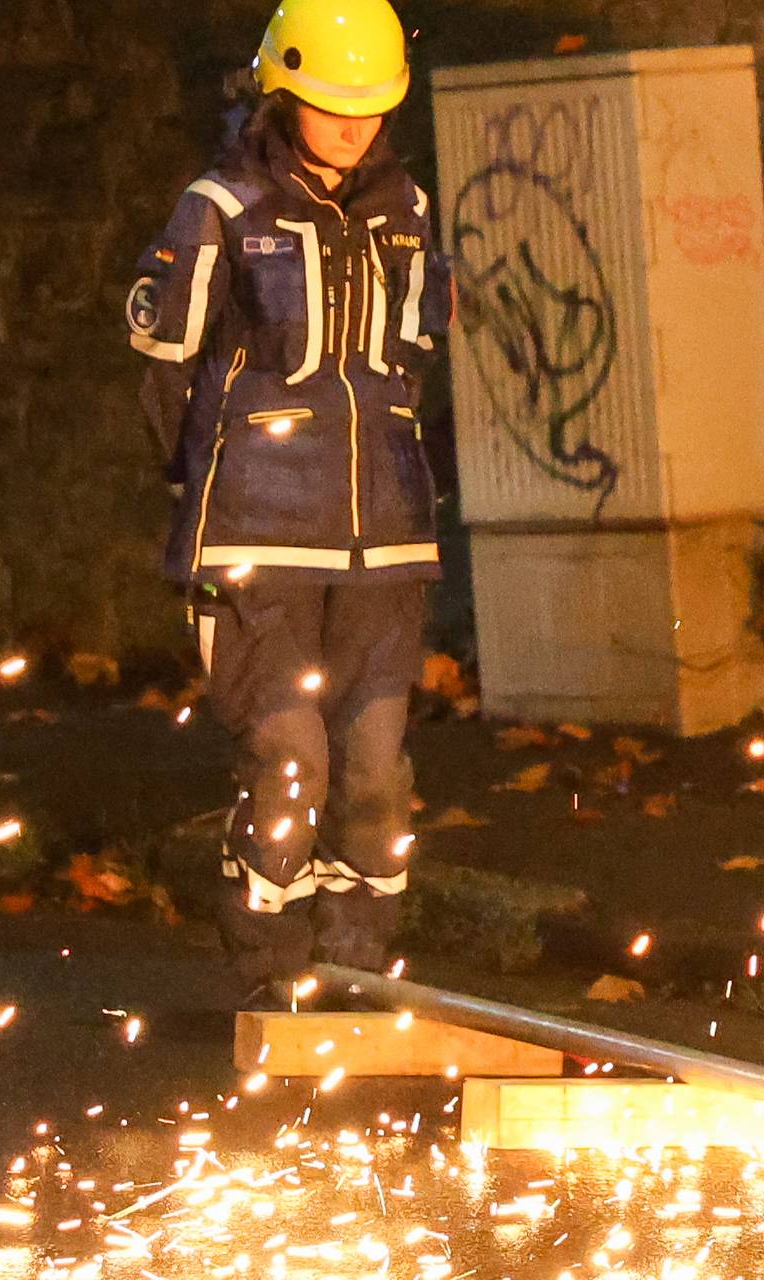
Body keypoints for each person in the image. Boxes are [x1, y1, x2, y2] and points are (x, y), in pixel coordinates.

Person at [125, 0, 453, 1007]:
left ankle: (360, 966)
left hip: (385, 543)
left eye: (368, 105)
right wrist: (199, 495)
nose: (350, 124)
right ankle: (271, 966)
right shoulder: (222, 207)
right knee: (291, 756)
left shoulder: (409, 212)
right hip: (257, 537)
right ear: (283, 91)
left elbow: (417, 362)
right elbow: (164, 371)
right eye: (327, 102)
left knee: (376, 769)